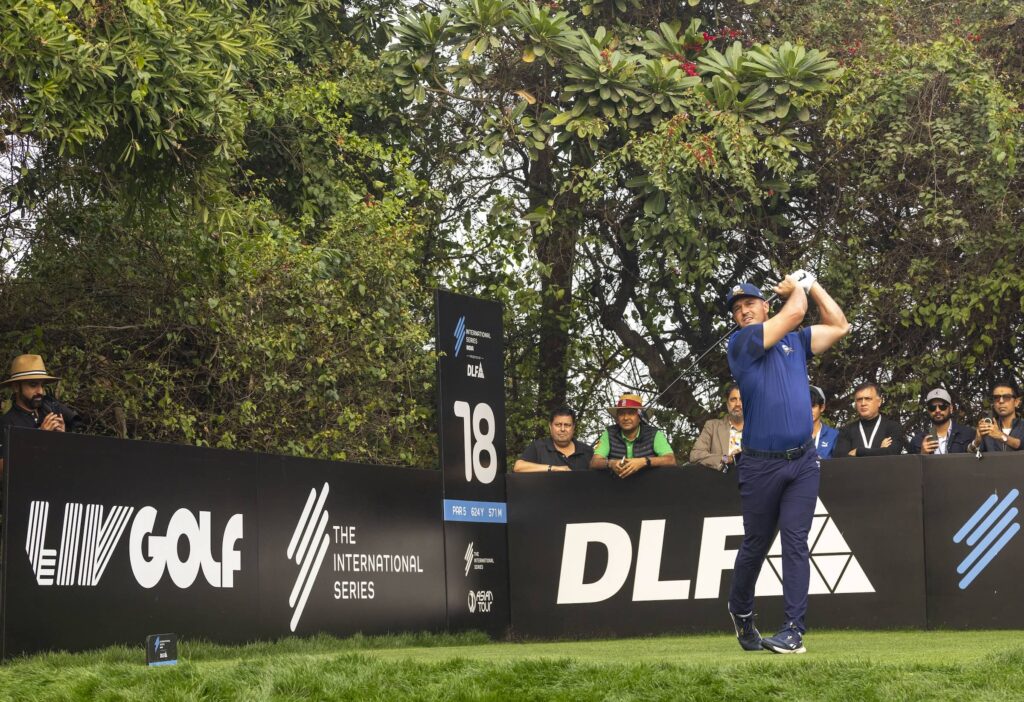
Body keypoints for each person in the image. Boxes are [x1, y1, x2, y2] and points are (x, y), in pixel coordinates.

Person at [724, 271, 849, 655]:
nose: (744, 310)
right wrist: (798, 291)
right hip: (760, 466)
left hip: (802, 463)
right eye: (738, 308)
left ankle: (793, 631)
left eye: (750, 303)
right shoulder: (742, 342)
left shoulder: (794, 343)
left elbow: (840, 325)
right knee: (756, 545)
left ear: (765, 305)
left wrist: (812, 285)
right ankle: (741, 610)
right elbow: (794, 313)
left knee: (796, 543)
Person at [0, 354, 81, 475]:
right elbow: (2, 471)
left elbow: (66, 462)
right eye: (33, 385)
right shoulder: (7, 422)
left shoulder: (47, 411)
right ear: (16, 387)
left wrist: (62, 438)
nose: (40, 391)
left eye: (41, 385)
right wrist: (39, 439)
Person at [590, 393, 676, 478]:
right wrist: (611, 463)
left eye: (631, 413)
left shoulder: (654, 433)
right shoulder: (608, 433)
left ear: (640, 417)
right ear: (617, 418)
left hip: (649, 486)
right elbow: (594, 462)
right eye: (621, 414)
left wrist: (644, 461)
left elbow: (671, 460)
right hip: (615, 487)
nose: (626, 418)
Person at [513, 406, 594, 472]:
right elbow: (518, 467)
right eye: (558, 425)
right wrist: (552, 468)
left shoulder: (587, 451)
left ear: (573, 427)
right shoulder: (538, 447)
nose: (562, 429)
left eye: (567, 425)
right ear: (550, 426)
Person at [833, 382, 904, 457]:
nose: (863, 403)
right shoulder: (846, 431)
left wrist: (858, 451)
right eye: (859, 400)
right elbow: (841, 459)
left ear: (879, 402)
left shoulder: (892, 427)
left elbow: (892, 453)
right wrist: (880, 450)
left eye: (868, 399)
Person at [689, 384, 743, 471]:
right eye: (733, 399)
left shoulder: (759, 428)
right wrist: (725, 459)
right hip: (723, 482)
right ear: (727, 403)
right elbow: (695, 455)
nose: (738, 404)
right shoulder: (713, 426)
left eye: (742, 399)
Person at [908, 388, 974, 454]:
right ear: (928, 411)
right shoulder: (917, 441)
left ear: (951, 408)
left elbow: (979, 460)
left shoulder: (968, 434)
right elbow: (910, 464)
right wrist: (922, 455)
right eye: (932, 407)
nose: (937, 410)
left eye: (942, 406)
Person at [968, 381, 1024, 453]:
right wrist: (976, 442)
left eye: (1006, 397)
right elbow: (973, 457)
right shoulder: (988, 428)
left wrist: (1001, 436)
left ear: (1016, 402)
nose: (1001, 401)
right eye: (996, 398)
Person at [810, 385, 839, 459]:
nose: (809, 410)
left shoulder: (833, 435)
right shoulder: (794, 435)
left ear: (822, 407)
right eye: (805, 406)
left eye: (813, 406)